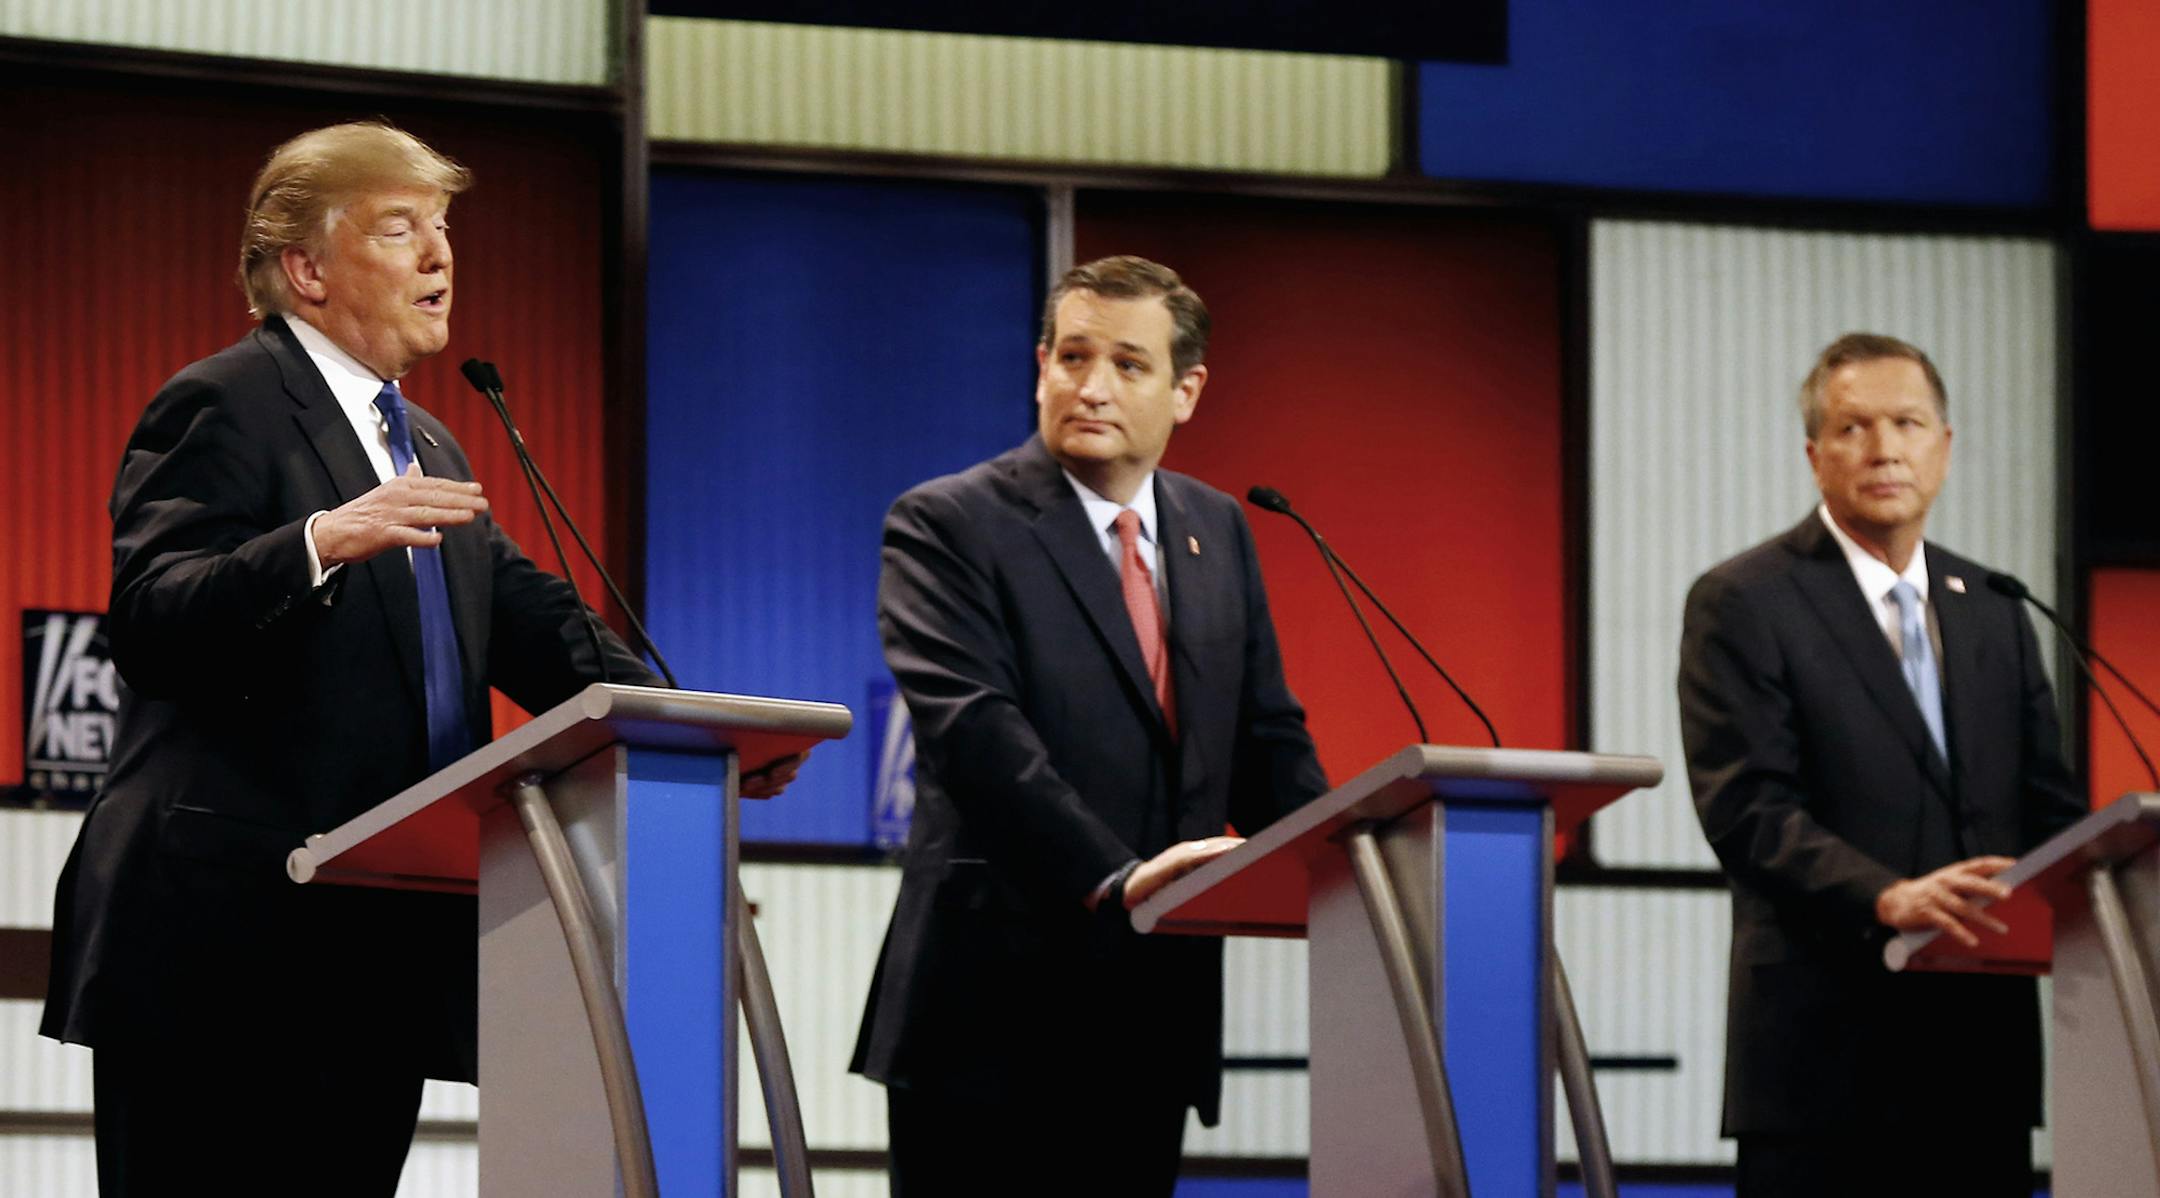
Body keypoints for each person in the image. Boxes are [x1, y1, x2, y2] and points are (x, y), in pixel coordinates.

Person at [36, 121, 785, 1195]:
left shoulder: (426, 440)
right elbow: (152, 619)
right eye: (401, 229)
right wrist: (316, 540)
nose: (441, 255)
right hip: (224, 952)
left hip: (373, 954)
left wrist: (699, 732)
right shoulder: (227, 402)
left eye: (443, 229)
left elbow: (533, 623)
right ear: (306, 269)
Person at [851, 255, 1329, 1194]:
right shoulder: (949, 522)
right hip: (990, 1013)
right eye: (1071, 356)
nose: (1092, 386)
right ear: (1041, 366)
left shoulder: (1218, 528)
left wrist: (1354, 868)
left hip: (1154, 1011)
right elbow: (976, 735)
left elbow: (1265, 737)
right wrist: (1114, 879)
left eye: (1128, 363)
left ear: (1186, 390)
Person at [1677, 332, 2087, 1198]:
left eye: (1907, 423)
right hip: (1824, 1061)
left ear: (1945, 446)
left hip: (1979, 1061)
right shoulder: (1746, 600)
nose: (1885, 448)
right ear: (1815, 455)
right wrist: (1885, 896)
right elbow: (1747, 808)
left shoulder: (1996, 610)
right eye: (1854, 428)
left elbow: (2049, 810)